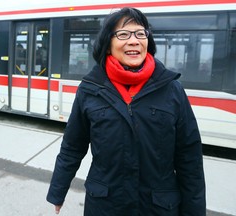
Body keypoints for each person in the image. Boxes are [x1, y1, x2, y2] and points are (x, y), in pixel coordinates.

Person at [46, 7, 206, 216]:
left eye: (140, 33)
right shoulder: (90, 89)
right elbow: (72, 146)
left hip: (158, 208)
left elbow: (189, 157)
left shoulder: (171, 89)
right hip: (105, 206)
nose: (134, 40)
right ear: (108, 43)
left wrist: (194, 211)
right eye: (123, 34)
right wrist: (58, 191)